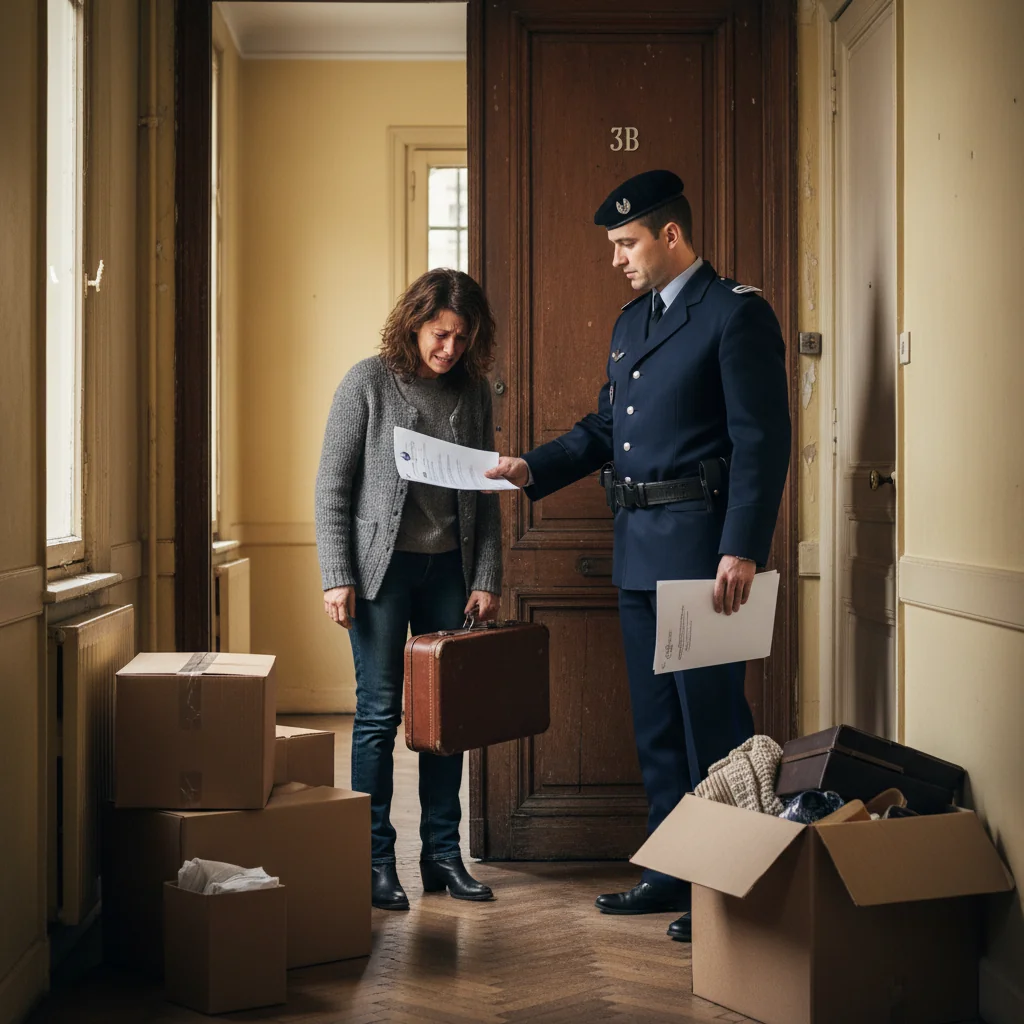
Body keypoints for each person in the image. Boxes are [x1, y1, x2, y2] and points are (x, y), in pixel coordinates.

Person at [485, 170, 791, 942]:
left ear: (671, 236)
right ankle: (668, 868)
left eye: (627, 242)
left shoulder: (734, 314)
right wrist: (532, 467)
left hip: (703, 553)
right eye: (614, 245)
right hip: (637, 554)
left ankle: (720, 887)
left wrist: (742, 548)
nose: (617, 257)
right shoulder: (631, 324)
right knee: (656, 726)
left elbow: (762, 441)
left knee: (711, 725)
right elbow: (600, 429)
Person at [315, 268, 502, 910]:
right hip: (379, 571)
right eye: (439, 334)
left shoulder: (473, 394)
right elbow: (332, 487)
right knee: (377, 714)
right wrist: (336, 575)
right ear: (415, 324)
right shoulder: (366, 383)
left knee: (444, 717)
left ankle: (443, 857)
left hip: (448, 568)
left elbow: (486, 490)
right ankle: (374, 862)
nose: (448, 348)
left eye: (461, 337)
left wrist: (486, 576)